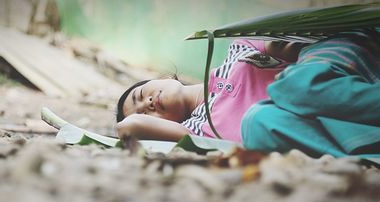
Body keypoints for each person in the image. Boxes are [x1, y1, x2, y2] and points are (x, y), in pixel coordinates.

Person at [116, 28, 380, 158]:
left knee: (295, 86)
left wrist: (283, 48)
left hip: (343, 68)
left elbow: (299, 46)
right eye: (145, 111)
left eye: (141, 95)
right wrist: (133, 119)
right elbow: (131, 126)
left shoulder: (239, 47)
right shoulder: (200, 132)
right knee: (259, 122)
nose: (148, 103)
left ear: (162, 78)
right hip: (335, 124)